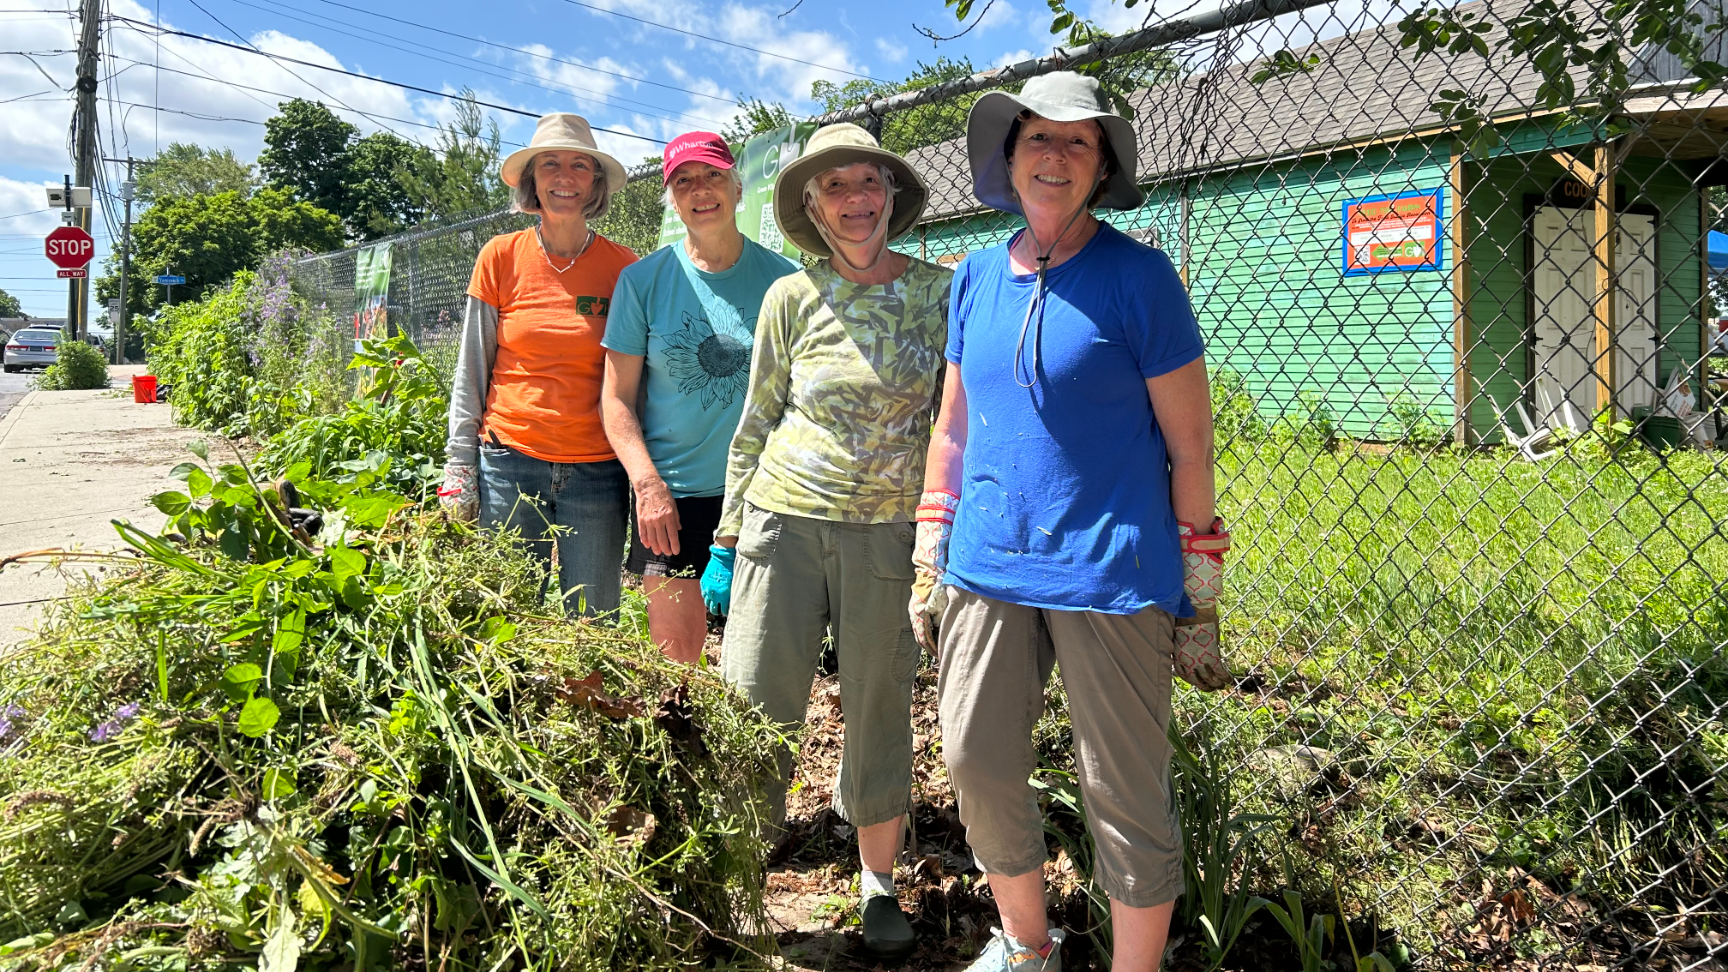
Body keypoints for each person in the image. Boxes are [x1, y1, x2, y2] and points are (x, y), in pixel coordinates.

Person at [910, 72, 1229, 972]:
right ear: (1008, 159)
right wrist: (932, 547)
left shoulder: (1140, 277)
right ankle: (1027, 944)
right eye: (1036, 138)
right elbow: (953, 427)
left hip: (1111, 572)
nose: (1054, 155)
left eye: (1077, 142)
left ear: (1101, 168)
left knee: (1122, 791)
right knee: (973, 760)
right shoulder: (974, 275)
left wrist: (1199, 586)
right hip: (984, 566)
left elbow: (1192, 447)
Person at [702, 123, 950, 963]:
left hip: (889, 529)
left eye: (867, 183)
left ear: (891, 193)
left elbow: (958, 423)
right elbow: (756, 420)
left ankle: (877, 880)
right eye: (834, 187)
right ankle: (736, 875)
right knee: (755, 698)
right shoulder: (790, 298)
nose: (854, 200)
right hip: (785, 520)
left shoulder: (940, 293)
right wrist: (728, 537)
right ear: (811, 204)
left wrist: (942, 537)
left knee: (881, 704)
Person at [600, 132, 798, 663]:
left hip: (763, 492)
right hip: (672, 497)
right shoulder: (642, 281)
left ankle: (751, 747)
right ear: (671, 198)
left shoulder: (784, 281)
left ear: (737, 188)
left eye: (712, 176)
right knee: (676, 659)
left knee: (760, 656)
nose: (700, 190)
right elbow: (615, 399)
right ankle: (688, 743)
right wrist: (648, 486)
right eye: (683, 180)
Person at [439, 112, 637, 617]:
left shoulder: (626, 269)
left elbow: (640, 380)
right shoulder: (500, 257)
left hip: (597, 471)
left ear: (595, 182)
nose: (564, 177)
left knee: (593, 624)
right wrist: (459, 465)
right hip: (509, 463)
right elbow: (472, 370)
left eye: (578, 165)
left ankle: (588, 701)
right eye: (550, 164)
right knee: (505, 620)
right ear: (532, 179)